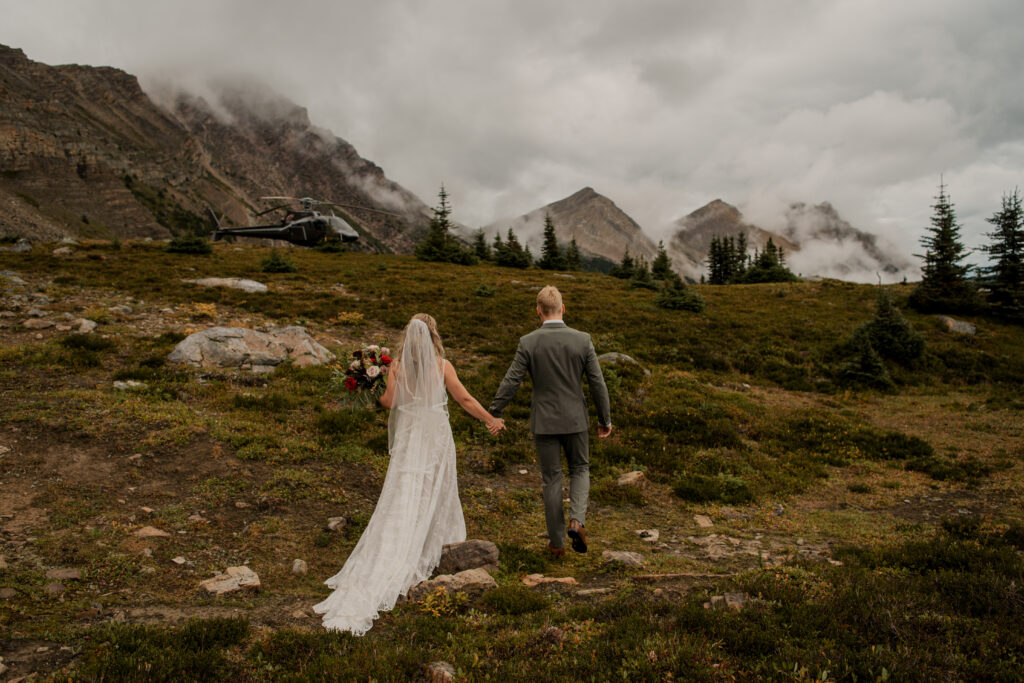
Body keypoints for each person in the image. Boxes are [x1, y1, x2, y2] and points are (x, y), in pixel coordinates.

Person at [313, 314, 504, 634]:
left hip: (410, 435)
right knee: (435, 487)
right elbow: (464, 399)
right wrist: (489, 419)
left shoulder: (398, 366)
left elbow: (389, 402)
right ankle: (439, 540)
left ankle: (394, 544)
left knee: (403, 488)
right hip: (436, 435)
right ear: (433, 336)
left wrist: (371, 385)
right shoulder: (443, 366)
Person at [489, 286, 612, 557]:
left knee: (551, 479)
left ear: (538, 311)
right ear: (563, 309)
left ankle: (556, 544)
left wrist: (495, 410)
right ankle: (577, 521)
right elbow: (597, 383)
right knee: (580, 468)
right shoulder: (582, 340)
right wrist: (605, 418)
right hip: (576, 420)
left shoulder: (528, 342)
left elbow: (512, 380)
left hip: (544, 421)